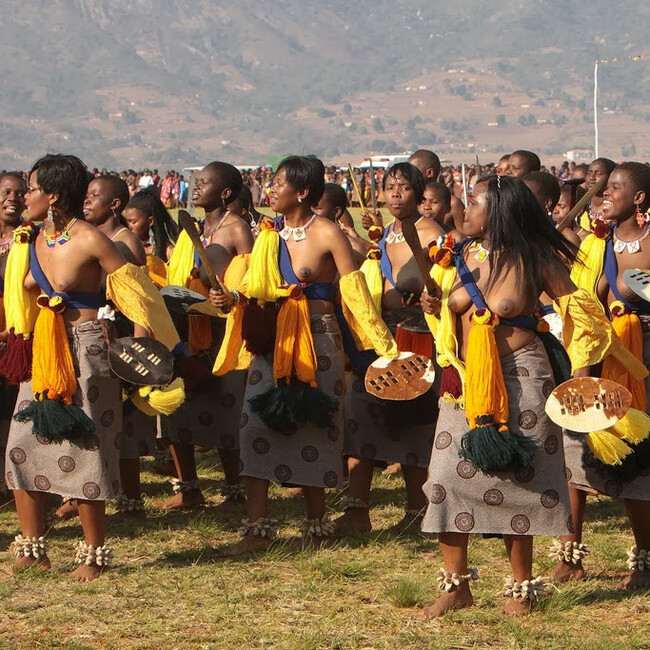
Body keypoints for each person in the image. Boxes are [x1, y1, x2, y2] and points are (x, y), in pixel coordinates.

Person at [419, 174, 618, 617]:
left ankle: (520, 588)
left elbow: (584, 315)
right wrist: (438, 311)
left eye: (473, 202)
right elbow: (452, 317)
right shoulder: (462, 254)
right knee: (445, 479)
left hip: (524, 379)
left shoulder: (535, 258)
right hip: (466, 381)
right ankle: (457, 587)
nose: (462, 209)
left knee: (518, 478)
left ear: (498, 212)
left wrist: (580, 378)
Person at [3, 154, 181, 580]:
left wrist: (143, 351)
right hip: (42, 353)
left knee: (88, 446)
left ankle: (93, 553)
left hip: (86, 352)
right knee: (21, 444)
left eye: (31, 188)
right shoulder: (29, 240)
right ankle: (33, 547)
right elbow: (19, 295)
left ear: (52, 195)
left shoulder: (90, 239)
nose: (24, 196)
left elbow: (134, 292)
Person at [210, 155, 398, 554]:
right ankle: (257, 530)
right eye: (272, 183)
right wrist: (231, 299)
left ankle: (316, 525)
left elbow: (354, 292)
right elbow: (256, 289)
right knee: (254, 425)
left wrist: (380, 348)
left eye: (279, 184)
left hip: (320, 340)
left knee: (317, 424)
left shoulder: (329, 233)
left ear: (303, 191)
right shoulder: (268, 235)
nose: (270, 191)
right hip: (273, 343)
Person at [555, 162, 650, 590]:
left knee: (637, 459)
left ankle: (645, 560)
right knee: (576, 452)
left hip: (642, 362)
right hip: (593, 360)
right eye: (603, 188)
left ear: (640, 199)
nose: (604, 195)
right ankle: (569, 557)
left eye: (615, 188)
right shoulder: (595, 244)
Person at [339, 163, 444, 533]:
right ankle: (357, 510)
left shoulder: (431, 232)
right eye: (389, 187)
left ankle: (417, 510)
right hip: (380, 337)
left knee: (415, 420)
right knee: (362, 413)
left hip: (418, 336)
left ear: (418, 192)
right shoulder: (385, 234)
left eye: (403, 187)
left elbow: (444, 282)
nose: (395, 193)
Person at [159, 161, 253, 510]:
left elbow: (252, 275)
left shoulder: (237, 229)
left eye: (203, 182)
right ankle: (188, 488)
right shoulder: (192, 231)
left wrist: (230, 295)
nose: (195, 188)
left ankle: (233, 490)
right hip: (187, 330)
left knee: (226, 408)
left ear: (225, 192)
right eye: (194, 182)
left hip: (223, 332)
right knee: (177, 407)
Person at [0, 173, 25, 504]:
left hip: (15, 333)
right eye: (6, 191)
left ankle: (8, 481)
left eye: (21, 193)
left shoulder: (29, 238)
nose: (13, 198)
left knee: (9, 409)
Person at [314, 183, 369, 266]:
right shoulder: (301, 236)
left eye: (317, 209)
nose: (311, 212)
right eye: (309, 207)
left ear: (336, 212)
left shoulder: (353, 248)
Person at [576, 158, 617, 231]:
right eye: (589, 173)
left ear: (610, 177)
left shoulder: (615, 208)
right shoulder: (583, 206)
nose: (592, 177)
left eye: (598, 173)